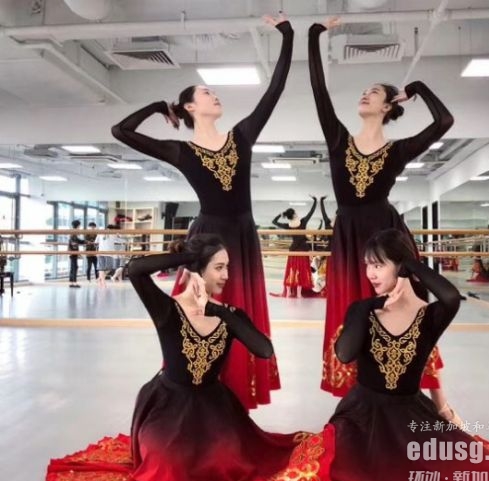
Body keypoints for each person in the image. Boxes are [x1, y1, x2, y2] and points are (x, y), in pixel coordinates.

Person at [269, 229, 489, 481]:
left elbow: (452, 297)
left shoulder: (429, 316)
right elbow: (344, 353)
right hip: (361, 416)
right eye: (368, 264)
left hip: (410, 415)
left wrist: (409, 264)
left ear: (400, 267)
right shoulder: (364, 310)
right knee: (333, 473)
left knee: (473, 476)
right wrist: (370, 305)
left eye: (379, 265)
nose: (370, 273)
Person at [111, 14, 293, 409]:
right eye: (207, 93)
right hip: (206, 238)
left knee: (239, 311)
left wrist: (286, 33)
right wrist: (157, 106)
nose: (216, 96)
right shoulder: (180, 151)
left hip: (242, 236)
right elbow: (121, 131)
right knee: (195, 313)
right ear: (191, 106)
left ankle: (235, 396)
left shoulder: (241, 136)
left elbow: (275, 90)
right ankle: (191, 385)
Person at [46, 234, 302, 481]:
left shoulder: (230, 315)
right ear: (198, 269)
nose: (226, 275)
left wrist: (218, 311)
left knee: (227, 463)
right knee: (167, 468)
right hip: (167, 406)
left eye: (227, 267)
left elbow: (264, 350)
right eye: (219, 267)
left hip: (215, 409)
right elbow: (135, 269)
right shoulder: (167, 309)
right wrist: (188, 258)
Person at [309, 18, 457, 422]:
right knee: (353, 312)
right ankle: (359, 398)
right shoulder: (338, 139)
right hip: (347, 238)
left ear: (388, 106)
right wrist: (315, 34)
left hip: (387, 235)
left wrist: (418, 88)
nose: (364, 94)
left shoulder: (397, 150)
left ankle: (440, 402)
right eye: (364, 91)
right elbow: (319, 90)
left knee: (410, 310)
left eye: (373, 92)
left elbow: (444, 122)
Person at [271, 196, 317, 297]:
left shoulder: (288, 226)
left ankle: (289, 292)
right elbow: (311, 212)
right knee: (301, 271)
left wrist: (280, 214)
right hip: (302, 250)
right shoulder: (303, 222)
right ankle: (299, 294)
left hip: (294, 250)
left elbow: (274, 222)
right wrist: (315, 201)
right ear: (295, 214)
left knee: (292, 270)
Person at [67, 219, 85, 288]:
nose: (79, 227)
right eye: (79, 226)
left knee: (73, 267)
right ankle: (74, 283)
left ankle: (71, 282)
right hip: (73, 252)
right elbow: (74, 243)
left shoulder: (73, 232)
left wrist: (86, 242)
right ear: (77, 226)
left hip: (72, 252)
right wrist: (78, 253)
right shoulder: (73, 232)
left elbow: (78, 241)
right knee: (74, 267)